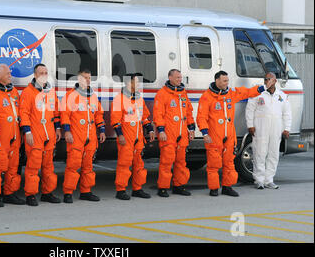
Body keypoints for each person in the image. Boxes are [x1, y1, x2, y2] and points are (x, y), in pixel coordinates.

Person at [196, 71, 266, 197]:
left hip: (229, 135)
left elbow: (247, 92)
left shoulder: (230, 93)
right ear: (217, 81)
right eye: (224, 81)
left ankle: (227, 187)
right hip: (214, 135)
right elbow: (201, 117)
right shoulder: (207, 96)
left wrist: (262, 88)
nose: (226, 83)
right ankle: (214, 188)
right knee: (213, 164)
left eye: (227, 80)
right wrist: (205, 133)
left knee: (229, 162)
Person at [61, 69, 106, 203]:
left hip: (90, 136)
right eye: (84, 78)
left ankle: (86, 191)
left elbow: (98, 114)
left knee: (88, 166)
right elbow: (65, 115)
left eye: (89, 78)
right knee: (73, 165)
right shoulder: (70, 95)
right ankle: (68, 193)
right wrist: (67, 131)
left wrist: (102, 130)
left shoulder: (93, 96)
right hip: (76, 136)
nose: (87, 80)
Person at [20, 63, 62, 206]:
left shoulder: (50, 92)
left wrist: (57, 129)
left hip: (49, 134)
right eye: (41, 72)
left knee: (48, 166)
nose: (44, 75)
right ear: (35, 75)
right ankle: (30, 195)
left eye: (46, 72)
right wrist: (27, 132)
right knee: (33, 166)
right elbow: (24, 114)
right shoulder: (28, 92)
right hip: (35, 134)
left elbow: (56, 113)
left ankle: (47, 192)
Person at [0, 64, 25, 207]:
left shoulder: (13, 91)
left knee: (13, 167)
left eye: (10, 73)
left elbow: (19, 111)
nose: (10, 75)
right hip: (0, 137)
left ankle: (9, 194)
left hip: (14, 136)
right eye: (7, 73)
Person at [111, 73, 155, 200]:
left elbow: (144, 117)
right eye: (135, 82)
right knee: (124, 165)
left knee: (139, 165)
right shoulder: (119, 99)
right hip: (126, 137)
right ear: (128, 83)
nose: (138, 85)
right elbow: (115, 120)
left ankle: (137, 189)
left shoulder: (139, 99)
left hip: (138, 138)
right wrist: (120, 135)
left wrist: (150, 129)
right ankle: (120, 190)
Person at [245, 72, 291, 189]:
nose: (267, 81)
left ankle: (269, 180)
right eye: (265, 79)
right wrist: (250, 125)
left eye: (269, 79)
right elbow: (249, 110)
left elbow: (287, 113)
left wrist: (287, 128)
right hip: (260, 128)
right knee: (260, 153)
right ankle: (259, 180)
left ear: (275, 81)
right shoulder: (258, 94)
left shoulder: (282, 96)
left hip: (276, 129)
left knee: (273, 154)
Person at [153, 69, 195, 197]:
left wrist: (191, 129)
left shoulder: (183, 94)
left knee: (181, 163)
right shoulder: (162, 94)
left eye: (180, 77)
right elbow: (158, 114)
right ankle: (163, 188)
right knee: (166, 162)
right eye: (177, 77)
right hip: (168, 134)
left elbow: (188, 112)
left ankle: (179, 186)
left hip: (181, 134)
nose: (179, 79)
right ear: (170, 77)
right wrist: (161, 130)